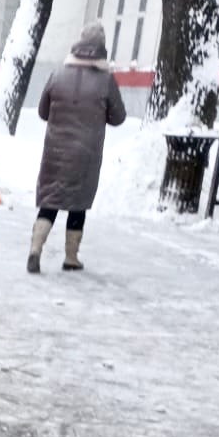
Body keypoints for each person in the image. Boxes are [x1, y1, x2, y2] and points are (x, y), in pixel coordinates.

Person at [29, 21, 127, 274]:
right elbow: (118, 118)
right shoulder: (106, 80)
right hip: (86, 153)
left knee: (50, 200)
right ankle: (71, 257)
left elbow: (42, 111)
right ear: (102, 48)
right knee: (77, 203)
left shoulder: (57, 74)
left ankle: (35, 249)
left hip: (55, 152)